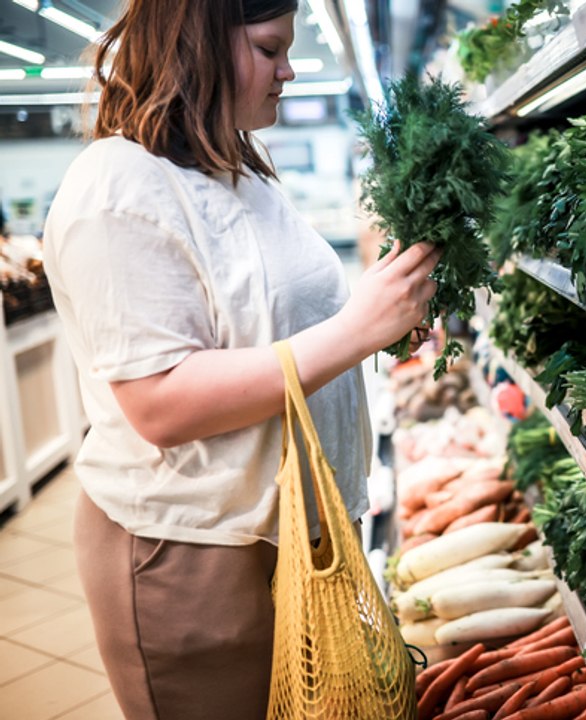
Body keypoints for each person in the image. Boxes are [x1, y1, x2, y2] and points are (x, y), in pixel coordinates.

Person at [41, 1, 438, 718]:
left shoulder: (240, 170)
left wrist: (382, 321)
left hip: (289, 531)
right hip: (196, 553)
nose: (288, 71)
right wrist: (354, 332)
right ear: (195, 45)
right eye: (268, 49)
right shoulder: (118, 189)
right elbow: (161, 402)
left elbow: (265, 324)